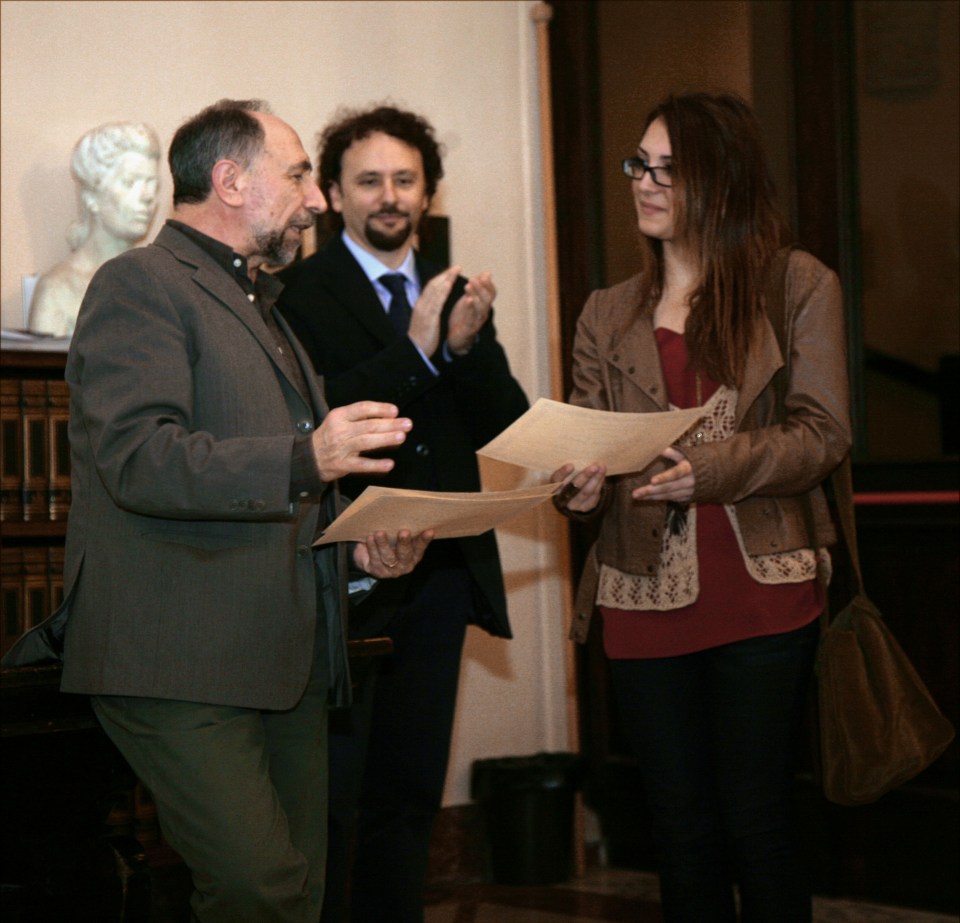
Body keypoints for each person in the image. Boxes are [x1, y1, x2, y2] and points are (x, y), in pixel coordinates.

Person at [2, 98, 434, 923]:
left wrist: (359, 556)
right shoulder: (139, 283)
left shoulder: (264, 308)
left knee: (299, 893)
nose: (316, 199)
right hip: (177, 657)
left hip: (285, 655)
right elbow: (140, 458)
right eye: (299, 175)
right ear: (232, 181)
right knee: (257, 888)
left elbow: (281, 495)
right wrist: (309, 459)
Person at [552, 92, 851, 923]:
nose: (644, 183)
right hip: (638, 591)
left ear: (722, 179)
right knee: (678, 829)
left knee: (757, 819)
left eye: (669, 170)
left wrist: (708, 470)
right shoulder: (606, 311)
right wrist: (578, 487)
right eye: (639, 165)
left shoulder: (796, 284)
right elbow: (590, 442)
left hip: (763, 588)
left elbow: (823, 433)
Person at [277, 104, 528, 923]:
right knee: (335, 793)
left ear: (427, 192)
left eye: (405, 179)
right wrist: (417, 352)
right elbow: (319, 417)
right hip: (350, 572)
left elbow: (503, 424)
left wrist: (464, 347)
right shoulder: (297, 292)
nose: (389, 196)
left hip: (442, 573)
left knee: (412, 789)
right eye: (369, 180)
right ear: (333, 194)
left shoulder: (454, 288)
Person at [28, 121, 161, 337]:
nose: (147, 197)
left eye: (153, 185)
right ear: (91, 198)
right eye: (130, 183)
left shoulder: (159, 284)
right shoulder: (58, 291)